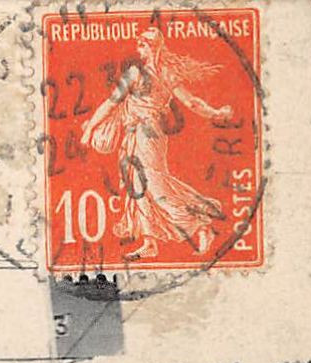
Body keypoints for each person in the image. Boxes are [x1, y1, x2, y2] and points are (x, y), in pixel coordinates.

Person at [79, 27, 236, 260]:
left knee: (155, 185)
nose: (138, 48)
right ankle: (149, 241)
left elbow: (111, 103)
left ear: (149, 47)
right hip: (137, 134)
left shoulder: (141, 73)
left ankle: (199, 227)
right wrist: (216, 112)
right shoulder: (162, 72)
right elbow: (192, 102)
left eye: (141, 44)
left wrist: (90, 128)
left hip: (147, 134)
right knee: (137, 187)